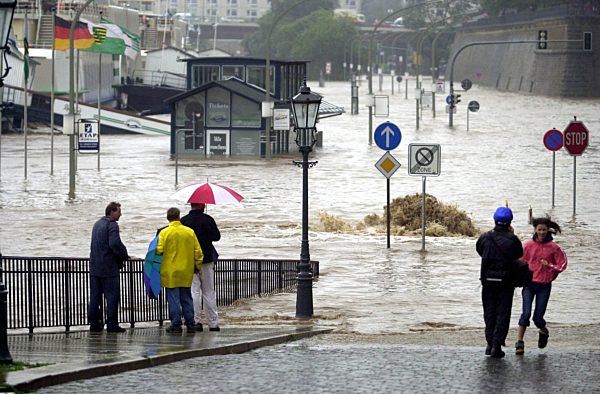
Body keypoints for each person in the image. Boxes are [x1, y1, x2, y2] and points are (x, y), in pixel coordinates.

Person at [515, 217, 567, 355]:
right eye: (539, 230)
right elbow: (518, 261)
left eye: (544, 230)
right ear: (535, 230)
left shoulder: (554, 248)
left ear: (548, 230)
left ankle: (543, 330)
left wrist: (549, 266)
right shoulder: (527, 245)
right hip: (529, 284)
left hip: (544, 285)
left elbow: (562, 265)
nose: (542, 232)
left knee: (538, 318)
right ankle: (519, 342)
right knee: (525, 314)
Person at [476, 206, 523, 358]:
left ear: (495, 220)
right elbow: (519, 254)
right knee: (503, 313)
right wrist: (511, 235)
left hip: (487, 281)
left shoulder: (485, 237)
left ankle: (489, 344)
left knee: (489, 312)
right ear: (510, 222)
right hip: (506, 282)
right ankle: (497, 345)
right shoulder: (513, 239)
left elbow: (479, 250)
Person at [157, 207, 203, 333]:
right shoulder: (189, 232)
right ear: (179, 217)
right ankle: (190, 323)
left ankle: (176, 324)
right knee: (187, 298)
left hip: (170, 272)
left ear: (168, 218)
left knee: (173, 299)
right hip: (186, 271)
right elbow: (198, 252)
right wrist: (196, 266)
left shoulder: (164, 233)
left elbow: (159, 251)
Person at [89, 202, 129, 333]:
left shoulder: (97, 224)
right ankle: (112, 324)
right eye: (118, 211)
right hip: (109, 268)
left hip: (95, 267)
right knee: (112, 297)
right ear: (111, 212)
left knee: (95, 297)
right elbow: (115, 244)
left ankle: (94, 324)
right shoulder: (112, 225)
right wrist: (125, 255)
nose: (120, 214)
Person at [181, 203, 222, 332]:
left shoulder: (184, 220)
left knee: (194, 292)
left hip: (190, 261)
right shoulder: (208, 219)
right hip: (207, 260)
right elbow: (217, 237)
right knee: (209, 291)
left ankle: (196, 321)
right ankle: (213, 323)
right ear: (202, 205)